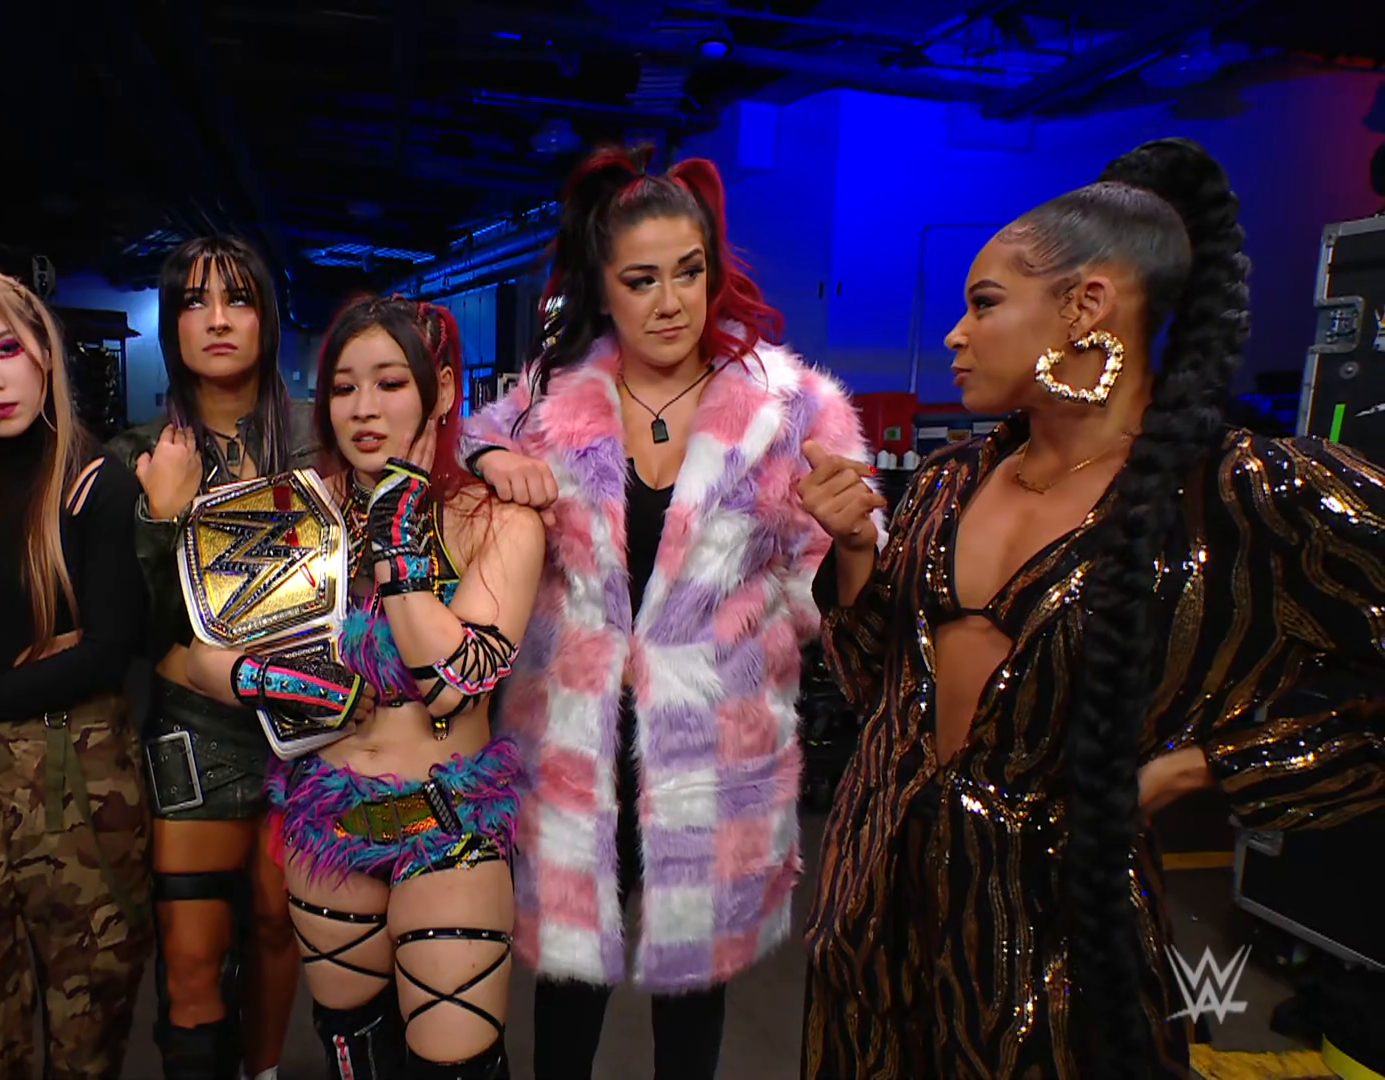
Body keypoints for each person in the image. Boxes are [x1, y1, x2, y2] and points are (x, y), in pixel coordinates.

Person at [798, 138, 1385, 1079]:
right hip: (871, 924)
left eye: (984, 303)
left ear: (1086, 308)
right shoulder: (949, 483)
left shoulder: (1232, 495)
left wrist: (1207, 766)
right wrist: (858, 552)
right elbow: (878, 693)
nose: (954, 334)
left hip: (1055, 947)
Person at [459, 147, 871, 1080]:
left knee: (695, 993)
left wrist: (852, 539)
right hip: (575, 745)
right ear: (602, 290)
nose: (672, 301)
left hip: (716, 750)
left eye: (689, 272)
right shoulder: (550, 405)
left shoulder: (788, 410)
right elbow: (467, 443)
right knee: (569, 989)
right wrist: (491, 461)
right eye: (641, 280)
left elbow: (837, 606)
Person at [183, 295, 541, 1079]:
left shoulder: (497, 520)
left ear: (440, 394)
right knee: (354, 1049)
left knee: (456, 1067)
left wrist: (398, 530)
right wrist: (276, 679)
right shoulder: (299, 513)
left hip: (448, 830)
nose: (364, 408)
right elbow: (199, 660)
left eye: (391, 383)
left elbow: (451, 683)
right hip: (330, 828)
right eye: (344, 387)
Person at [0, 270, 153, 1079]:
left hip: (78, 785)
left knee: (89, 1033)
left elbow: (106, 650)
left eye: (5, 348)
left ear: (44, 349)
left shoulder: (90, 482)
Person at [105, 235, 313, 1080]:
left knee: (275, 924)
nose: (219, 319)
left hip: (309, 725)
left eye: (239, 299)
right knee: (191, 959)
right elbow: (136, 629)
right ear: (171, 324)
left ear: (268, 318)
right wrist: (162, 516)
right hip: (194, 728)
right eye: (195, 301)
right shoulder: (136, 453)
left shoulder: (320, 437)